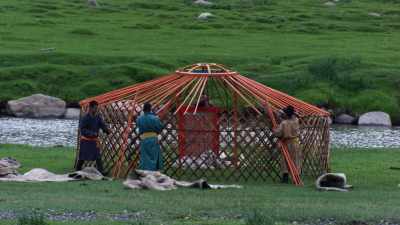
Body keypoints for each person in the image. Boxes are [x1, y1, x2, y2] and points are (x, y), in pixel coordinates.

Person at [76, 101, 110, 174]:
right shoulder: (85, 118)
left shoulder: (97, 117)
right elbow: (82, 129)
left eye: (97, 108)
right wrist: (91, 133)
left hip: (94, 141)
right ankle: (77, 170)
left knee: (97, 156)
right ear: (90, 108)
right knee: (83, 157)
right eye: (95, 108)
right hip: (86, 140)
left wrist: (106, 130)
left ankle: (101, 171)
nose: (96, 110)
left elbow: (102, 125)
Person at [273, 105, 301, 183]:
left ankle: (285, 178)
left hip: (287, 143)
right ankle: (296, 177)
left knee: (285, 160)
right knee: (295, 159)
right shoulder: (296, 121)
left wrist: (274, 130)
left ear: (285, 114)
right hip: (295, 142)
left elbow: (278, 133)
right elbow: (294, 117)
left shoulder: (284, 123)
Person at [136, 102, 164, 171]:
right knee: (153, 156)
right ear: (150, 109)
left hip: (144, 139)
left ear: (143, 109)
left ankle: (145, 173)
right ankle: (153, 172)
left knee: (145, 157)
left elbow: (139, 127)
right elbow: (160, 127)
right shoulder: (154, 118)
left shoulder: (139, 119)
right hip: (153, 139)